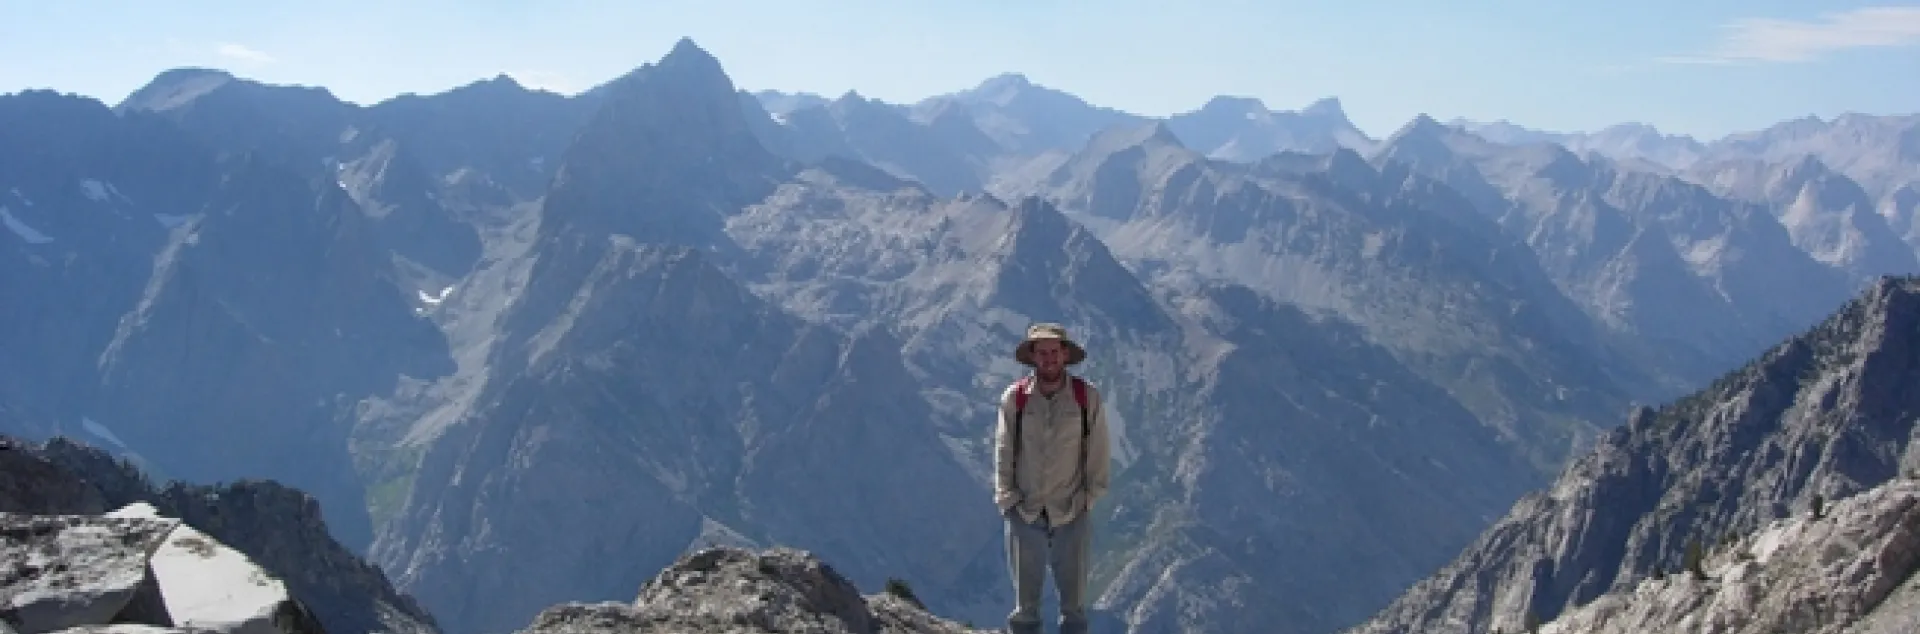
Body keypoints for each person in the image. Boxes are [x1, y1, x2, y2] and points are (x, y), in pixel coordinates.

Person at [996, 322, 1111, 634]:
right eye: (1042, 352)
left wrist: (1089, 497)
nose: (1048, 358)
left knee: (1073, 607)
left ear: (1065, 354)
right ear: (1033, 356)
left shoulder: (1086, 398)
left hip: (1071, 510)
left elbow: (1098, 450)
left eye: (1054, 352)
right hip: (1026, 510)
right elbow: (1004, 449)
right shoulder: (1015, 398)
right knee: (1025, 608)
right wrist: (1008, 500)